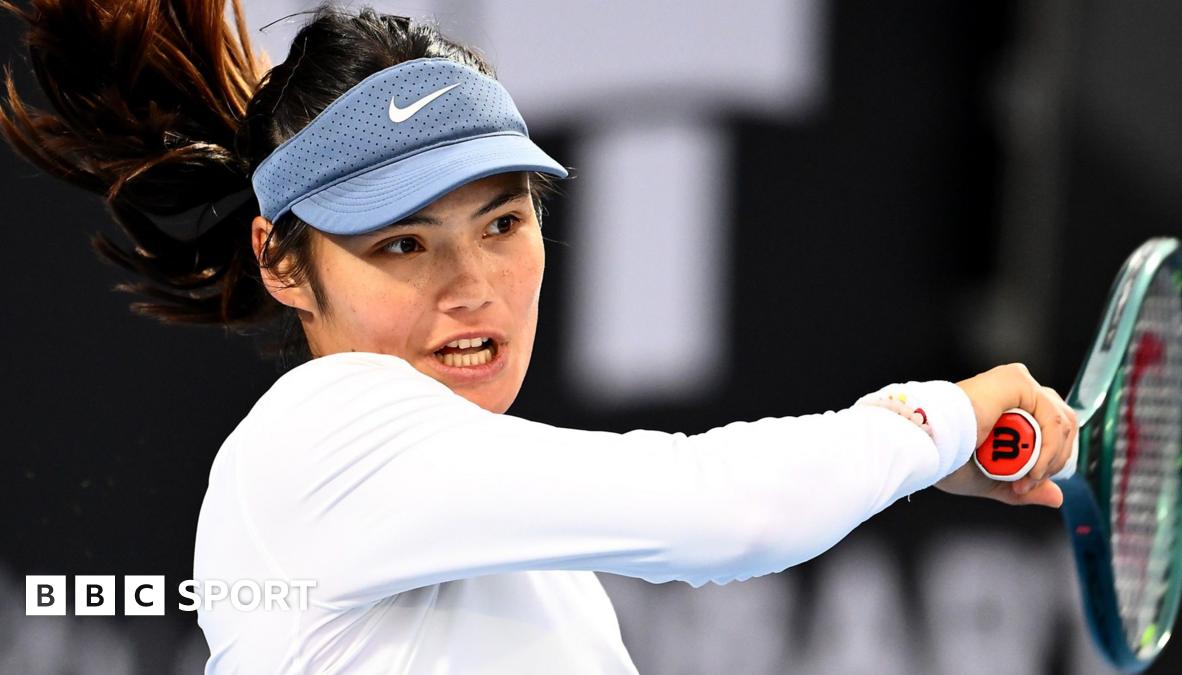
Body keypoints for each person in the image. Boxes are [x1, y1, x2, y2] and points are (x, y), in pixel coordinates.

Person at [0, 1, 1079, 672]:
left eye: (503, 224)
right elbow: (730, 512)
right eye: (404, 245)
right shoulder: (321, 432)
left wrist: (907, 465)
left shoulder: (524, 563)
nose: (473, 286)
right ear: (286, 263)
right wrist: (940, 420)